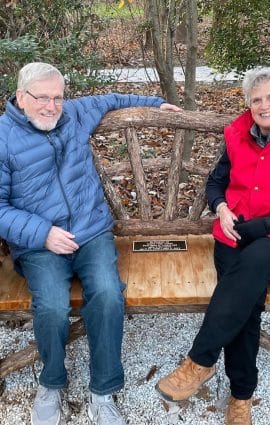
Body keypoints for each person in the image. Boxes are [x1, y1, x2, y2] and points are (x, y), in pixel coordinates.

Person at [0, 62, 181, 425]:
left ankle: (103, 390)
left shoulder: (75, 115)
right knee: (51, 304)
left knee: (107, 292)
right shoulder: (3, 138)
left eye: (58, 98)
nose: (52, 107)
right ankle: (51, 382)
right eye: (43, 99)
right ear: (21, 98)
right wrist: (42, 234)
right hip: (39, 244)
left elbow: (112, 99)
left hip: (91, 231)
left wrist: (156, 103)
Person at [156, 67, 270, 425]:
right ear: (248, 103)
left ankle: (200, 361)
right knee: (245, 302)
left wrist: (268, 225)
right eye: (256, 99)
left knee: (257, 258)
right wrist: (221, 209)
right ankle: (241, 397)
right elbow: (216, 184)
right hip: (235, 234)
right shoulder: (236, 135)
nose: (264, 105)